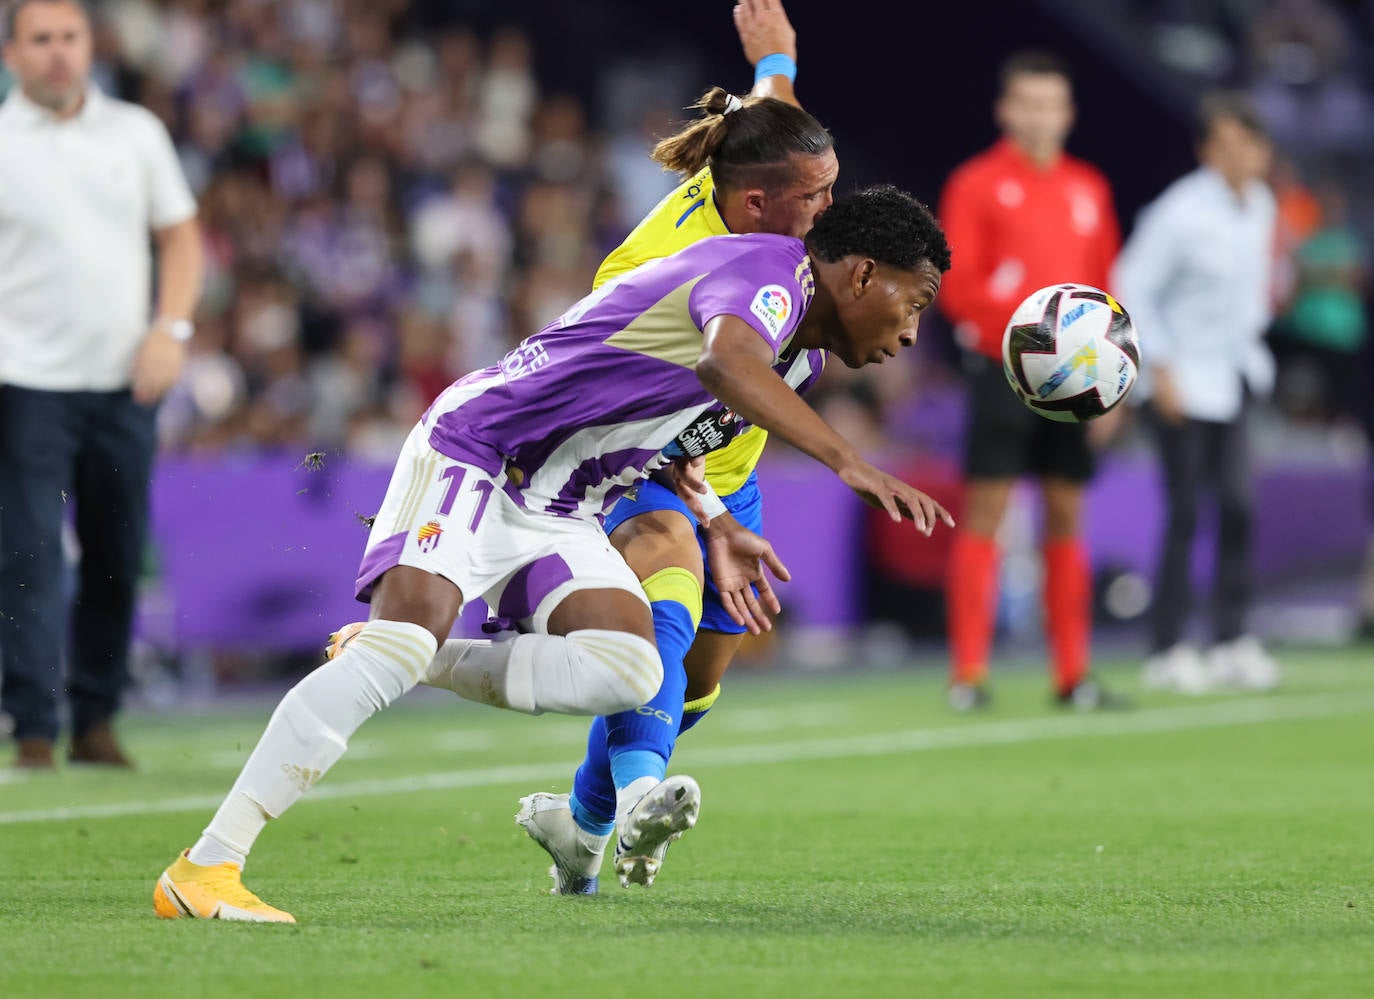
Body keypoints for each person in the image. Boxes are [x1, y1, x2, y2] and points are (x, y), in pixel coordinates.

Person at [154, 183, 953, 923]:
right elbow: (724, 363)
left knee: (628, 668)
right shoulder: (770, 274)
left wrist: (714, 514)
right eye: (913, 303)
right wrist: (850, 460)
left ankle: (419, 658)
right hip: (484, 450)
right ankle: (205, 866)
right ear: (861, 274)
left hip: (564, 498)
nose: (912, 331)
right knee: (399, 644)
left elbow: (675, 442)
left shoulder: (800, 354)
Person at [331, 0, 845, 894]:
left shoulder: (761, 190)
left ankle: (582, 822)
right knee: (669, 582)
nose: (826, 212)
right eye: (815, 200)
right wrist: (722, 509)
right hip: (635, 455)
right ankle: (642, 791)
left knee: (696, 684)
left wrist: (775, 64)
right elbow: (651, 414)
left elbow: (775, 133)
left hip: (728, 463)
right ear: (757, 202)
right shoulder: (660, 273)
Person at [0, 0, 203, 769]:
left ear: (90, 45)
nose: (57, 53)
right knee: (26, 553)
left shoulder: (135, 134)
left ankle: (96, 717)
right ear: (13, 54)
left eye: (69, 38)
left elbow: (180, 237)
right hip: (23, 380)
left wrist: (172, 329)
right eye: (40, 40)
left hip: (124, 380)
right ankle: (30, 726)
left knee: (117, 551)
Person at [936, 49, 1122, 712]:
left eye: (1052, 104)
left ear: (1068, 113)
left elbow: (1107, 290)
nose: (1041, 116)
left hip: (1074, 379)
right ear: (1005, 109)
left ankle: (1073, 675)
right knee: (987, 510)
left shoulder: (1089, 189)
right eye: (1028, 103)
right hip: (1002, 368)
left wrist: (1111, 380)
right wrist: (1039, 331)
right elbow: (956, 287)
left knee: (1067, 514)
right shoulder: (975, 184)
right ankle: (969, 673)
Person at [1112, 93, 1280, 694]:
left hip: (1235, 378)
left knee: (1239, 508)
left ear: (1263, 152)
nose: (1237, 156)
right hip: (1179, 383)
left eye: (1248, 145)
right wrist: (1160, 369)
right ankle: (1168, 647)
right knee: (1185, 513)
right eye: (1225, 144)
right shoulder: (1179, 211)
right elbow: (1130, 282)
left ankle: (1233, 639)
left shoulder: (1260, 204)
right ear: (1207, 150)